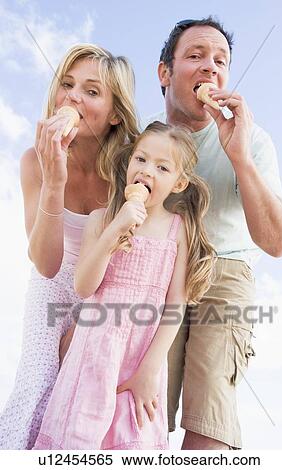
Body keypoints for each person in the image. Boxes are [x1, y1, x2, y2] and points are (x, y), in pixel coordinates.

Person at [145, 17, 282, 449]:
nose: (210, 67)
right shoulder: (145, 139)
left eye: (220, 60)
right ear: (165, 73)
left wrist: (240, 158)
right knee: (141, 407)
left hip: (225, 271)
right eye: (195, 56)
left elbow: (278, 241)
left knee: (208, 415)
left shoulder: (252, 140)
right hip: (157, 271)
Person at [32, 121, 215, 450]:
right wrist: (115, 230)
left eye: (162, 167)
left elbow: (175, 305)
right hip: (93, 353)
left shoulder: (178, 229)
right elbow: (85, 286)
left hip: (142, 357)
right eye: (141, 159)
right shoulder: (102, 219)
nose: (148, 171)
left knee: (132, 443)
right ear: (129, 163)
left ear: (178, 183)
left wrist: (150, 370)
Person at [0, 43, 139, 449]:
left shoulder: (128, 169)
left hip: (103, 288)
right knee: (39, 379)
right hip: (52, 285)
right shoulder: (33, 161)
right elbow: (45, 263)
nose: (73, 97)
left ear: (115, 113)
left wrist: (83, 325)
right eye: (67, 84)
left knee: (83, 395)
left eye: (91, 91)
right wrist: (54, 181)